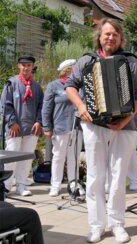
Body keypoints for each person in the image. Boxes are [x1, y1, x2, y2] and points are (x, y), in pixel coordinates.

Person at [65, 18, 137, 243]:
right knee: (95, 176)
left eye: (115, 34)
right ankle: (96, 225)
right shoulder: (86, 60)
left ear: (120, 38)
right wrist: (81, 106)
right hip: (94, 124)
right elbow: (70, 85)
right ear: (99, 36)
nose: (110, 37)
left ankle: (117, 224)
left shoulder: (132, 62)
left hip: (125, 126)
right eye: (107, 34)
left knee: (118, 177)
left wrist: (125, 118)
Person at [2, 55, 43, 197]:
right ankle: (5, 187)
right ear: (19, 66)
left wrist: (39, 121)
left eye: (29, 65)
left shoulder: (36, 87)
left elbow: (41, 106)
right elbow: (6, 104)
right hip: (15, 129)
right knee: (11, 158)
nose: (26, 68)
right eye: (23, 65)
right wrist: (12, 122)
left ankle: (21, 185)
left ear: (33, 67)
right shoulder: (11, 83)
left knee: (26, 158)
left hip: (31, 128)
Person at [42, 59, 83, 197]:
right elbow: (46, 108)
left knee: (74, 157)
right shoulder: (53, 86)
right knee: (58, 157)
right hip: (60, 126)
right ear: (68, 70)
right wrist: (47, 126)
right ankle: (55, 185)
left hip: (77, 127)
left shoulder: (80, 85)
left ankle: (73, 183)